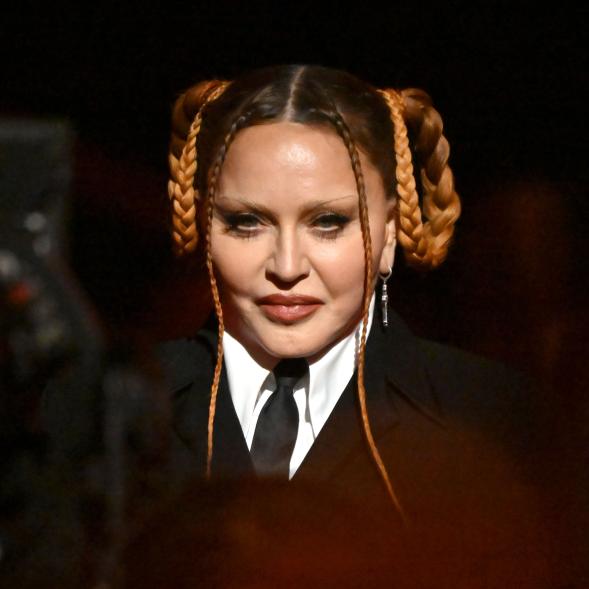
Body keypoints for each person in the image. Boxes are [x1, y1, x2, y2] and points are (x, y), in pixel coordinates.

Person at [153, 64, 556, 587]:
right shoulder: (113, 411)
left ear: (389, 234)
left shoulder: (494, 419)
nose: (287, 265)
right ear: (203, 227)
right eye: (247, 222)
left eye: (328, 222)